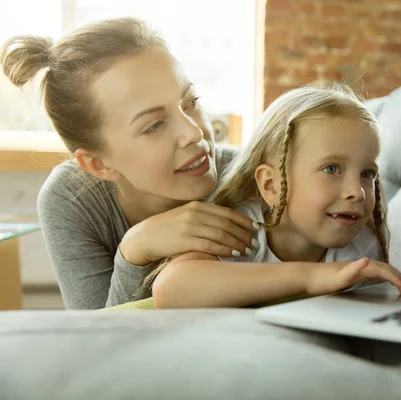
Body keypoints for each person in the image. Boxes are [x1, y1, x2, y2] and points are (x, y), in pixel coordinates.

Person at [0, 17, 261, 309]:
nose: (195, 132)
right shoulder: (72, 198)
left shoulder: (255, 174)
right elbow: (100, 341)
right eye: (153, 126)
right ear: (98, 165)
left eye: (191, 102)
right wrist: (136, 249)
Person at [146, 84, 401, 309]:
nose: (357, 191)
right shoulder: (239, 230)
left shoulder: (360, 249)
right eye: (331, 169)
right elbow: (172, 288)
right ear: (272, 185)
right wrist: (310, 277)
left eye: (367, 173)